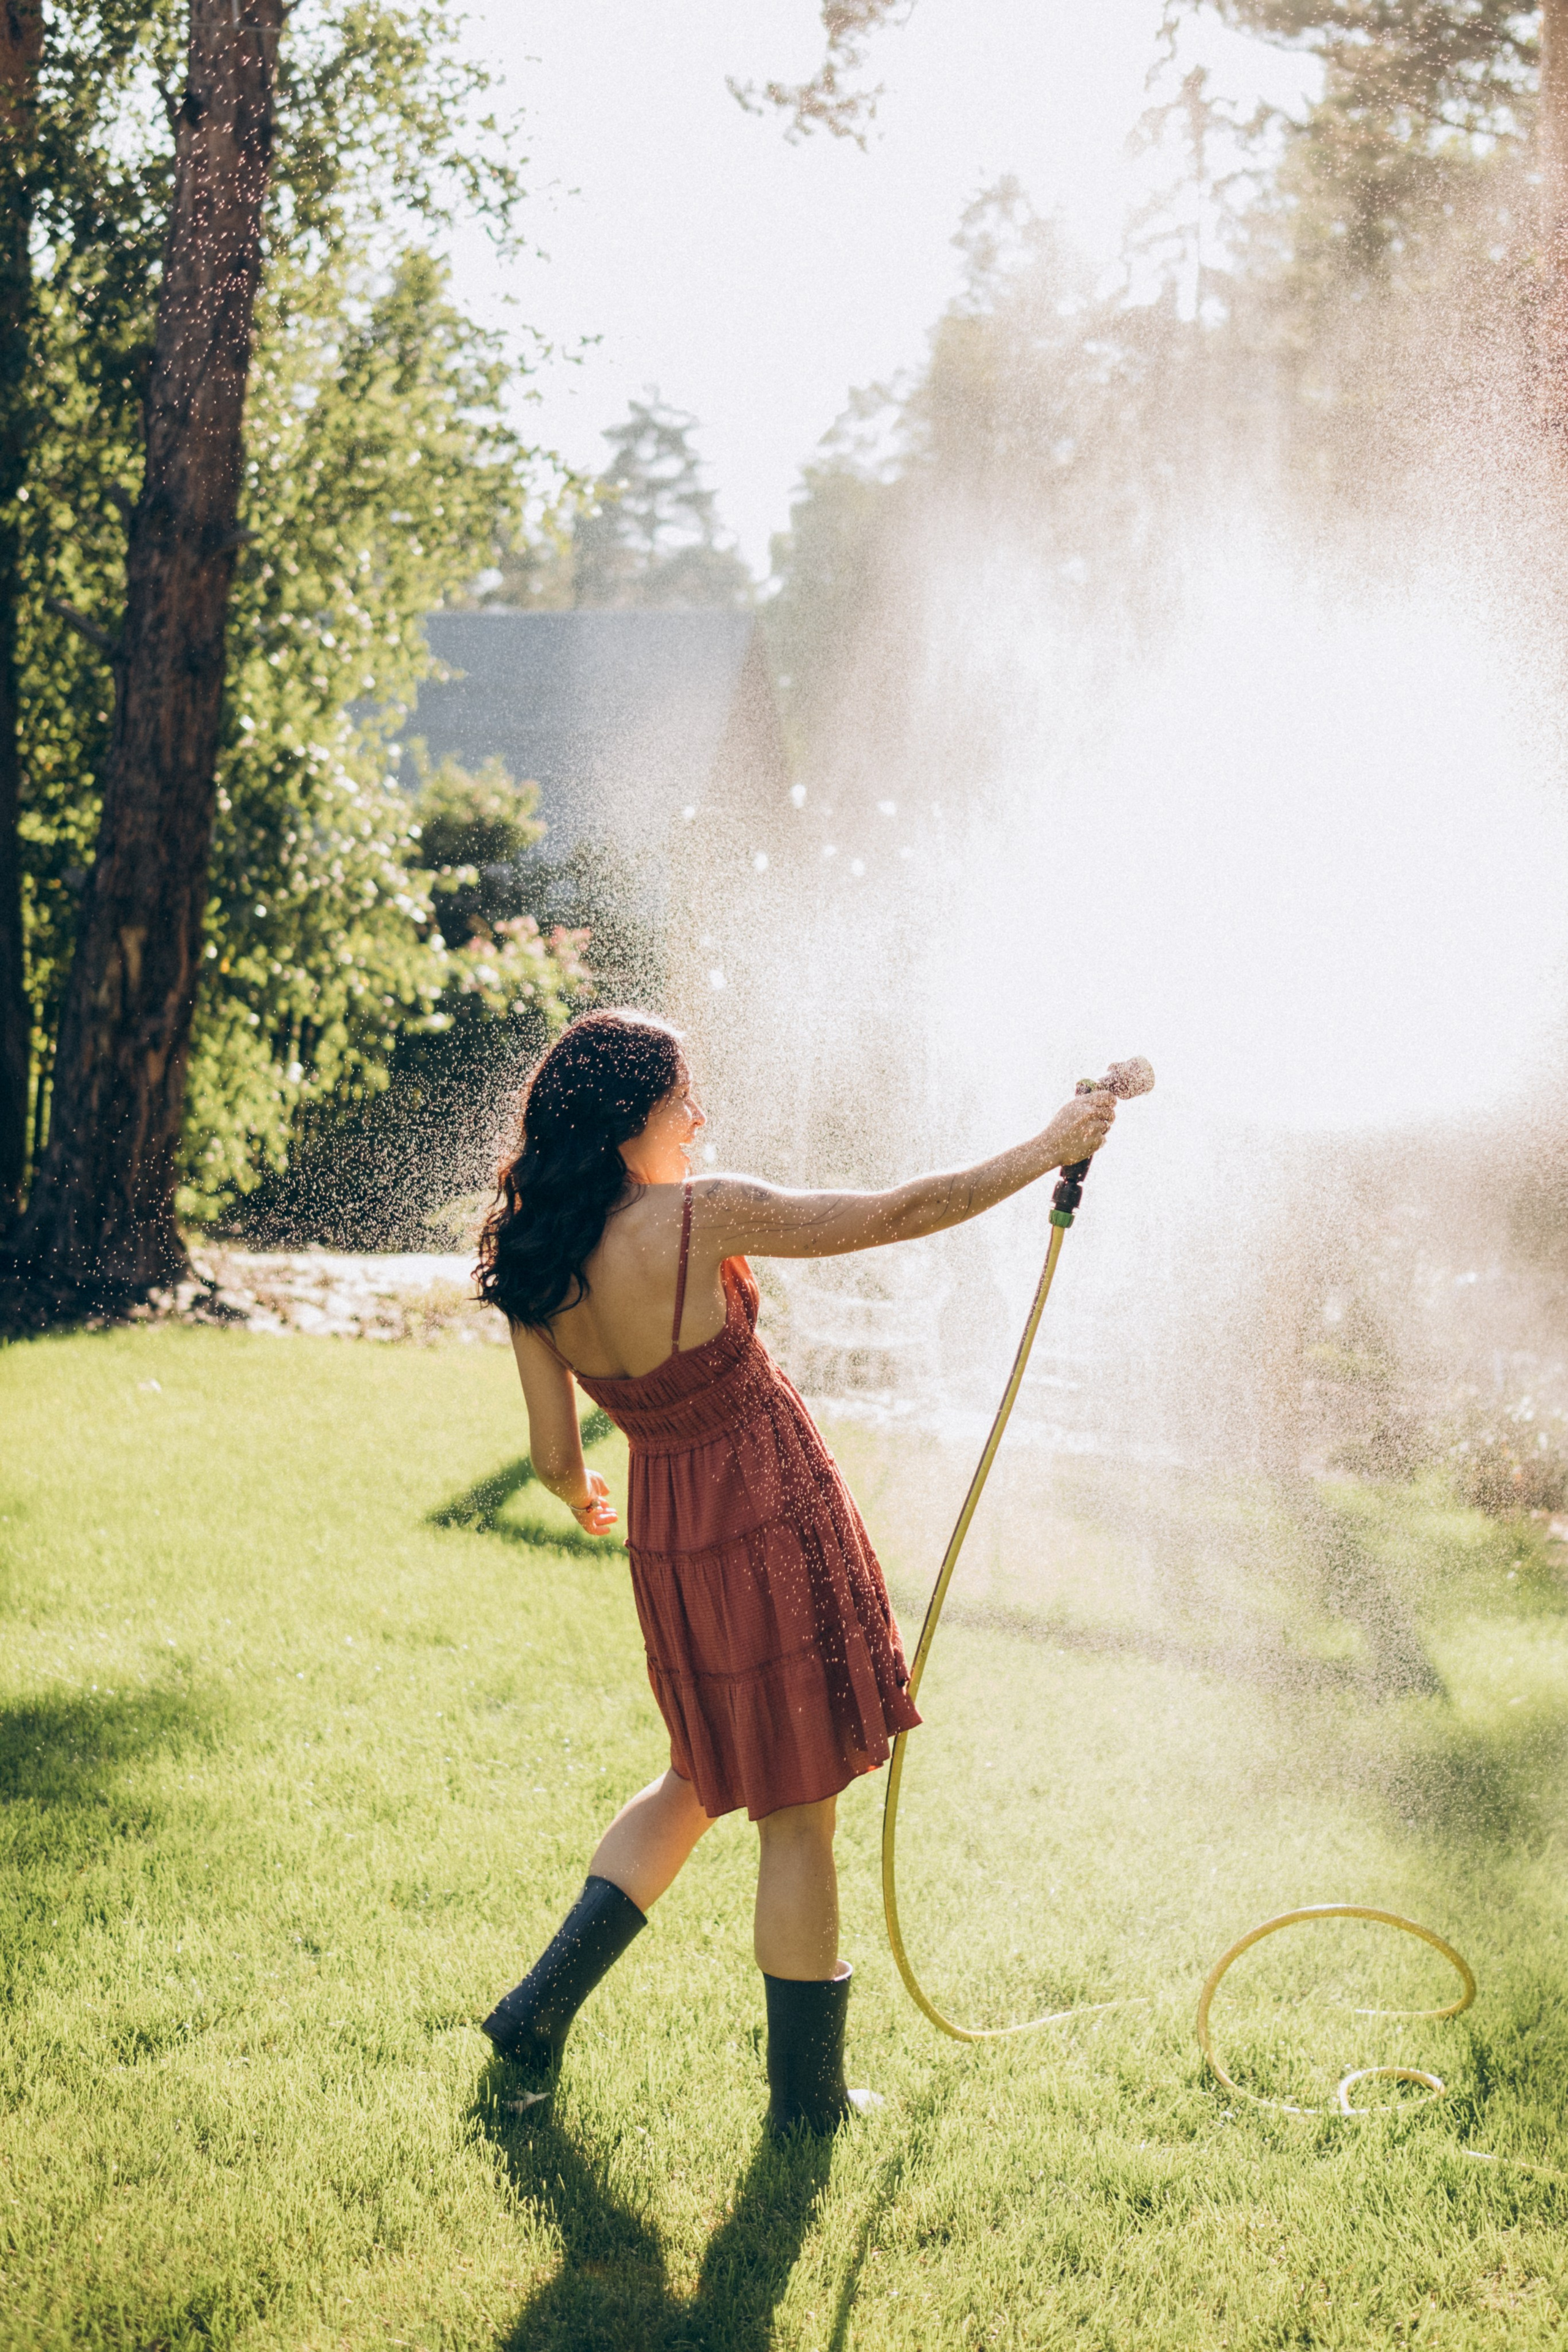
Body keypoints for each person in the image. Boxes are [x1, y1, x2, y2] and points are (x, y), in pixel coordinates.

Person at [473, 1008, 1115, 2135]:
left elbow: (551, 1456)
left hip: (671, 1532)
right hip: (767, 1514)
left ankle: (538, 2007)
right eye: (684, 1101)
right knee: (797, 1813)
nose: (700, 1118)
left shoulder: (534, 1258)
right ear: (632, 1123)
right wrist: (1047, 1147)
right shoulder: (698, 1214)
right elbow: (898, 1214)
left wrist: (584, 1500)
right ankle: (809, 2105)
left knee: (696, 1777)